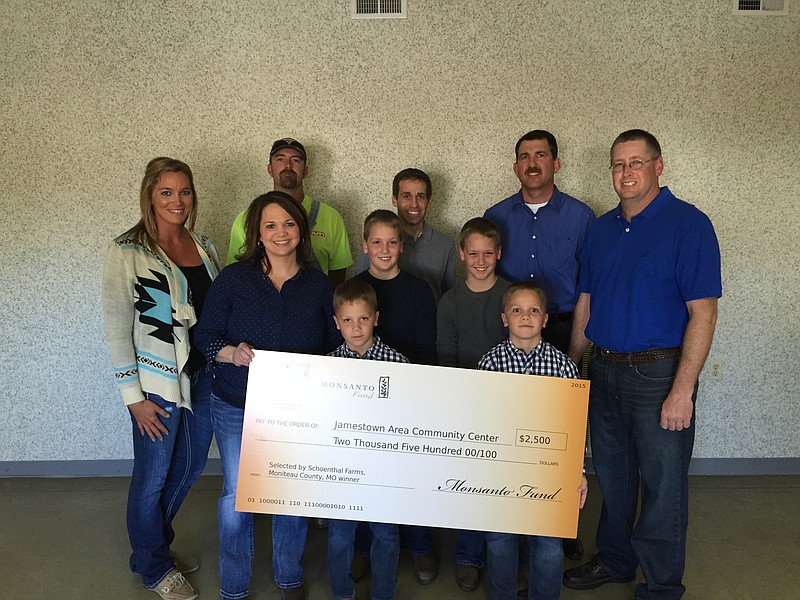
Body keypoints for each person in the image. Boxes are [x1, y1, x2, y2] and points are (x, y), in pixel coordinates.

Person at [563, 130, 721, 600]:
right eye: (617, 164)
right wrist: (571, 367)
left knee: (662, 487)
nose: (625, 173)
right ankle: (615, 559)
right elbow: (586, 303)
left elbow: (704, 312)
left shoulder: (689, 225)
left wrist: (682, 390)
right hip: (604, 369)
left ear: (658, 166)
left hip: (659, 377)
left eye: (636, 162)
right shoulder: (602, 229)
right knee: (613, 478)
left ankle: (660, 586)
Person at [196, 191, 341, 600]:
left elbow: (334, 346)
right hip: (236, 403)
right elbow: (204, 336)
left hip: (298, 412)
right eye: (270, 225)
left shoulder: (318, 284)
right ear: (257, 233)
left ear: (302, 230)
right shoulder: (233, 279)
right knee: (236, 497)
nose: (281, 233)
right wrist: (232, 353)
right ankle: (235, 585)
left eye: (289, 224)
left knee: (289, 494)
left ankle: (289, 578)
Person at [103, 157, 221, 600]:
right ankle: (154, 567)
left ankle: (152, 548)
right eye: (167, 192)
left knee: (189, 467)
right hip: (157, 385)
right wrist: (132, 397)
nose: (178, 200)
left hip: (204, 377)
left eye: (185, 191)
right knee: (152, 476)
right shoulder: (126, 250)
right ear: (150, 194)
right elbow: (117, 329)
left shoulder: (205, 246)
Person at [484, 129, 593, 564]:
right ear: (515, 167)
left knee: (558, 431)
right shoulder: (496, 214)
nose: (532, 163)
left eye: (541, 155)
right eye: (525, 156)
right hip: (513, 327)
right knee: (511, 430)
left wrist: (575, 351)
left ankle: (560, 522)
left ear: (556, 164)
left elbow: (588, 287)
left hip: (566, 325)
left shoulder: (582, 217)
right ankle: (511, 514)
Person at [478, 282, 588, 600]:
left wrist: (578, 471)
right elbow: (481, 423)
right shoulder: (488, 365)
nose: (525, 317)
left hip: (549, 472)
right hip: (502, 473)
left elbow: (574, 424)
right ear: (504, 319)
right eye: (517, 310)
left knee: (549, 545)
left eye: (534, 310)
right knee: (499, 540)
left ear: (545, 319)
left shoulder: (564, 367)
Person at [352, 209, 438, 584]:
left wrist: (415, 398)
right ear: (364, 245)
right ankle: (361, 547)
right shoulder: (353, 290)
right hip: (360, 401)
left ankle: (420, 546)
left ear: (401, 246)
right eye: (377, 242)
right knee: (361, 476)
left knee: (411, 476)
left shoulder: (419, 289)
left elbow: (426, 350)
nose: (384, 250)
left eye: (392, 242)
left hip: (408, 396)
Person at [436, 217, 512, 592]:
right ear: (462, 255)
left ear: (498, 254)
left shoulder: (513, 297)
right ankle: (468, 553)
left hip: (508, 402)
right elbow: (446, 358)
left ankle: (511, 553)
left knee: (506, 481)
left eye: (488, 253)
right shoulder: (450, 301)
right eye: (473, 253)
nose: (480, 261)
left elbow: (521, 346)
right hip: (466, 401)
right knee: (470, 482)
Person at [326, 279, 408, 600]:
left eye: (363, 318)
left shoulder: (399, 365)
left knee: (386, 532)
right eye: (347, 320)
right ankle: (342, 594)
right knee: (339, 534)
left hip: (384, 469)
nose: (356, 327)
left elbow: (408, 418)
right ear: (336, 323)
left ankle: (383, 594)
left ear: (376, 317)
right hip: (341, 468)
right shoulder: (328, 367)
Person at [227, 137, 352, 286]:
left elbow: (338, 277)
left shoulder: (331, 217)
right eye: (280, 159)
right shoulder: (246, 219)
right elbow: (236, 273)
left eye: (296, 160)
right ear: (270, 169)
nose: (288, 165)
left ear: (305, 171)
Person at [355, 168, 456, 302]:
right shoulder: (377, 244)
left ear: (429, 201)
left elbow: (448, 298)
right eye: (406, 196)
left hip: (429, 321)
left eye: (420, 196)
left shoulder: (445, 245)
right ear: (394, 200)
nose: (414, 204)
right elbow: (358, 290)